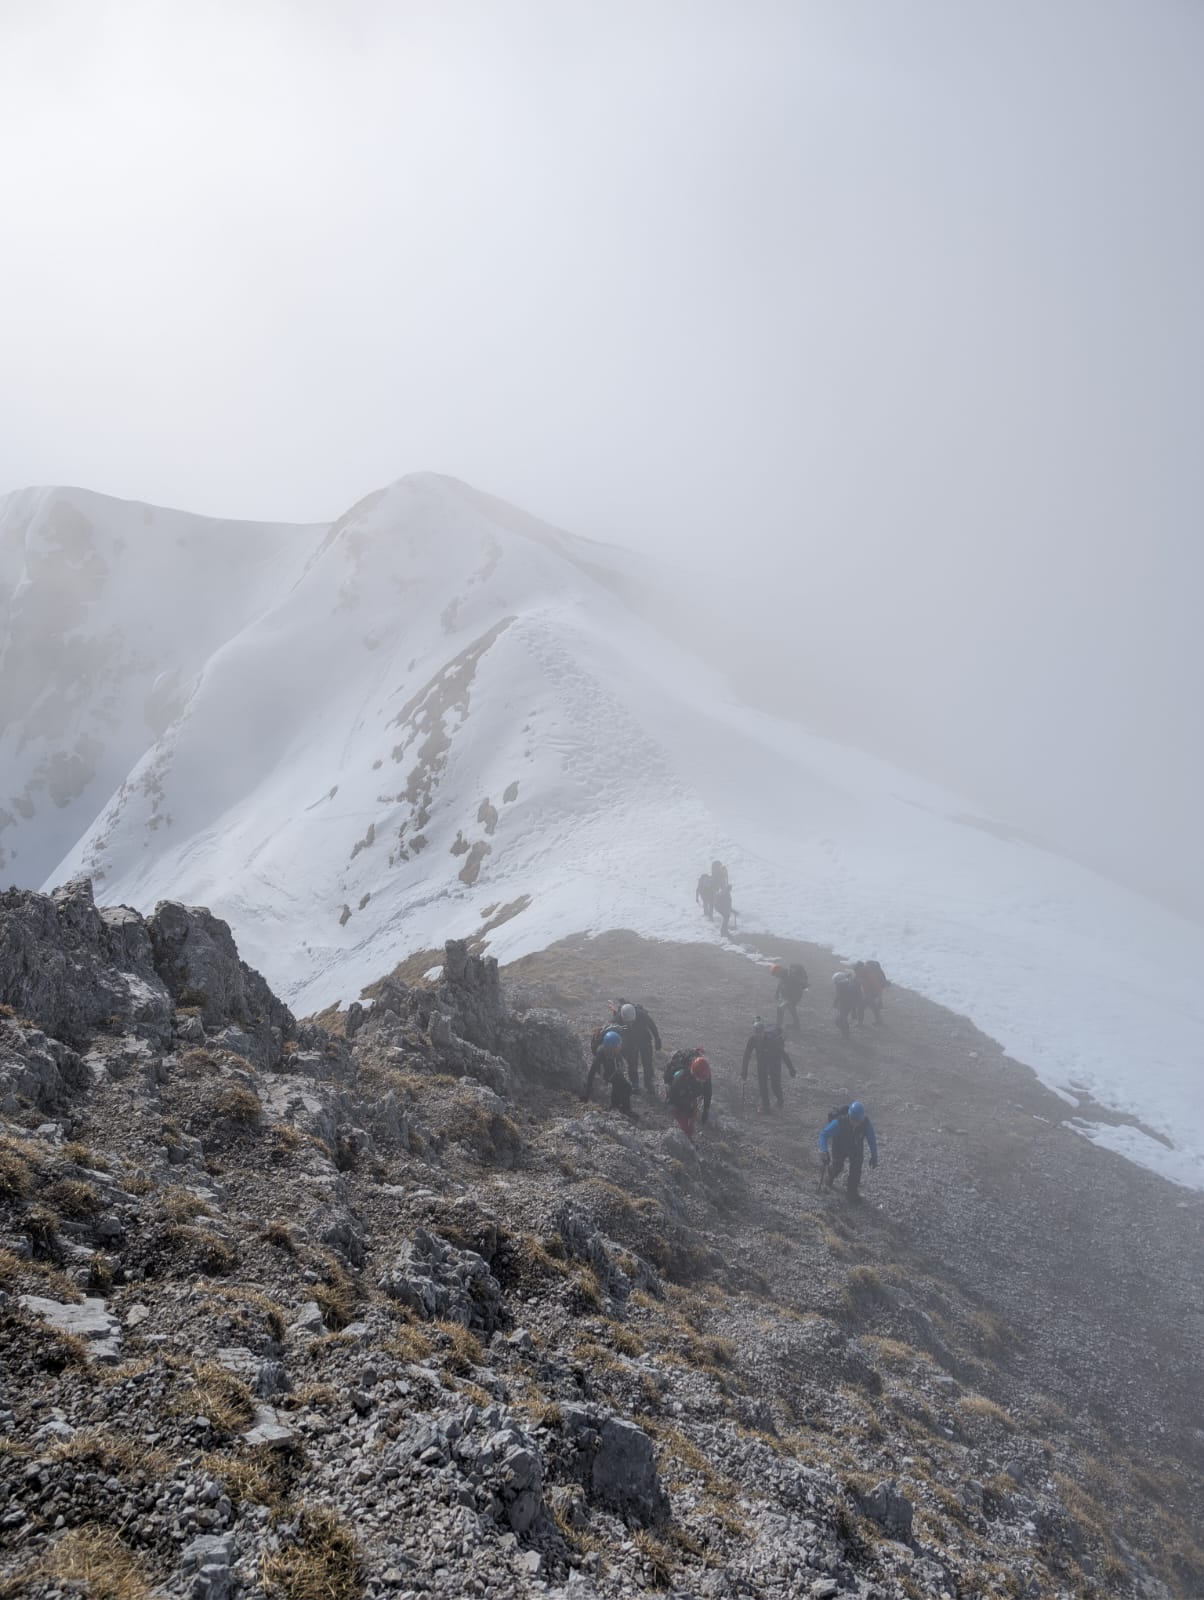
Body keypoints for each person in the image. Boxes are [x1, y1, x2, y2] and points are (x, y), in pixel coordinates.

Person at [819, 1100, 878, 1199]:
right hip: (839, 1146)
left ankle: (852, 1193)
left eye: (858, 1121)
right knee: (837, 1166)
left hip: (856, 1147)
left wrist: (874, 1155)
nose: (855, 1124)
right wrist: (824, 1150)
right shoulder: (839, 1122)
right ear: (849, 1116)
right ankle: (830, 1176)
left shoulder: (866, 1123)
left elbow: (871, 1139)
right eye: (853, 1120)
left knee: (856, 1169)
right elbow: (823, 1134)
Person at [741, 1017, 796, 1113]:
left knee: (775, 1084)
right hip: (762, 1063)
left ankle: (780, 1100)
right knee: (762, 1084)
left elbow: (783, 1054)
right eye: (756, 1031)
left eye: (759, 1032)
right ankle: (766, 1105)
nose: (758, 1034)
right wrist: (744, 1070)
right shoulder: (753, 1039)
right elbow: (747, 1055)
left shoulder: (773, 1040)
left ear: (763, 1031)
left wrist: (791, 1068)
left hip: (774, 1061)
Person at [583, 1028, 635, 1116]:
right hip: (607, 1074)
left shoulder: (613, 1051)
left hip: (613, 1072)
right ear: (612, 1046)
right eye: (618, 1045)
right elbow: (592, 1072)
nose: (620, 1047)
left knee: (620, 1086)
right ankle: (623, 1108)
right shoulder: (600, 1054)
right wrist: (587, 1092)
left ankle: (616, 1106)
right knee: (626, 1087)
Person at [614, 999, 662, 1094]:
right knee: (632, 1063)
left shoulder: (642, 1015)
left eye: (632, 1022)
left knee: (647, 1062)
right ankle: (635, 1084)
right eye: (627, 1022)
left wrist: (657, 1039)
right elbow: (611, 1029)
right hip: (630, 1041)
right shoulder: (617, 1019)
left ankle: (648, 1083)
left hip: (644, 1039)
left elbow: (652, 1026)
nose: (630, 1024)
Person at [667, 1052, 710, 1142]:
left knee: (690, 1127)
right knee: (684, 1126)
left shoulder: (704, 1075)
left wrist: (706, 1109)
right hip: (675, 1102)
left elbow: (708, 1091)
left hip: (689, 1098)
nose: (702, 1081)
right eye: (700, 1079)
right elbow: (674, 1098)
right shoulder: (681, 1080)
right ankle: (684, 1139)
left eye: (703, 1080)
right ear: (694, 1074)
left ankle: (689, 1138)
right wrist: (687, 1112)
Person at [772, 962, 808, 1030]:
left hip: (793, 996)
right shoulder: (783, 975)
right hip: (792, 996)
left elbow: (794, 988)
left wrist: (789, 999)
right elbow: (780, 984)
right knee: (791, 1008)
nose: (776, 976)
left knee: (780, 1008)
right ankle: (796, 1024)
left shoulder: (789, 976)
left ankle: (778, 1026)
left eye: (775, 974)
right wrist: (777, 993)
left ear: (778, 971)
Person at [854, 960, 889, 1024]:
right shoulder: (861, 973)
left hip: (872, 992)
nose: (856, 972)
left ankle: (859, 1023)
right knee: (872, 1005)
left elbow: (878, 988)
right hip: (869, 992)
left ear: (860, 968)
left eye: (857, 970)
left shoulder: (870, 975)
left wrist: (880, 999)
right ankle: (879, 1020)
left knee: (861, 1007)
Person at [832, 969, 861, 1038]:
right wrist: (835, 1003)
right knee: (841, 1020)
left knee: (840, 1020)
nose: (835, 983)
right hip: (843, 1005)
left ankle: (846, 1034)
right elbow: (838, 995)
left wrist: (853, 1011)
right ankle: (845, 1034)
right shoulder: (841, 986)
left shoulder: (846, 987)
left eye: (836, 981)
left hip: (846, 1006)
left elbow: (851, 999)